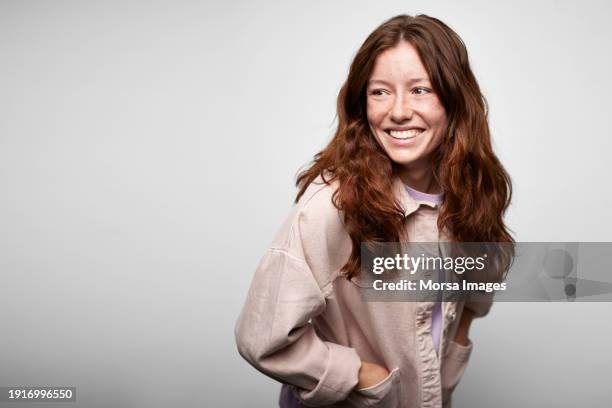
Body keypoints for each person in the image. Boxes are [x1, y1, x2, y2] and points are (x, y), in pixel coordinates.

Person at [235, 14, 513, 408]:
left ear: (454, 100)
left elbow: (483, 273)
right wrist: (358, 376)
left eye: (420, 90)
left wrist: (458, 338)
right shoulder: (331, 207)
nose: (398, 111)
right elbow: (259, 335)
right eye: (380, 92)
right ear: (362, 102)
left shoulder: (470, 188)